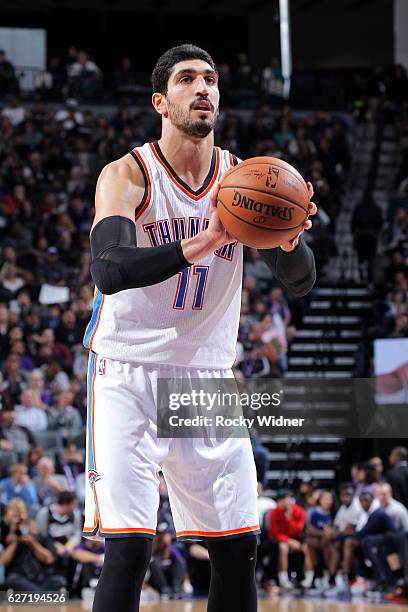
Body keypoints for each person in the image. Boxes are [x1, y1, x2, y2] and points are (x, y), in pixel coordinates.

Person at [83, 44, 316, 612]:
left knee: (238, 548)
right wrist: (204, 242)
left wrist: (289, 239)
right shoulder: (127, 174)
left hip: (206, 376)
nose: (203, 87)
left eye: (210, 79)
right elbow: (109, 268)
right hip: (128, 370)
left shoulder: (244, 181)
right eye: (187, 79)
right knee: (130, 550)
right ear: (162, 101)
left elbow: (301, 280)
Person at [0, 498, 66, 592]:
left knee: (60, 581)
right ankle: (41, 596)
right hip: (18, 576)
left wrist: (32, 543)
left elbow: (49, 559)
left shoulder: (39, 536)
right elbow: (3, 561)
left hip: (39, 577)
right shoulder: (6, 535)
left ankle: (38, 595)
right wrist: (15, 538)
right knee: (13, 580)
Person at [268, 490, 314, 589]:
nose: (287, 502)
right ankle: (283, 579)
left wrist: (289, 518)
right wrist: (289, 541)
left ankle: (309, 579)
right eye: (284, 500)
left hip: (297, 537)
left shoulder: (300, 511)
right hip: (279, 539)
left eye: (289, 500)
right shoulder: (274, 513)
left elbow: (298, 530)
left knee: (306, 547)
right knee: (283, 548)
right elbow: (275, 533)